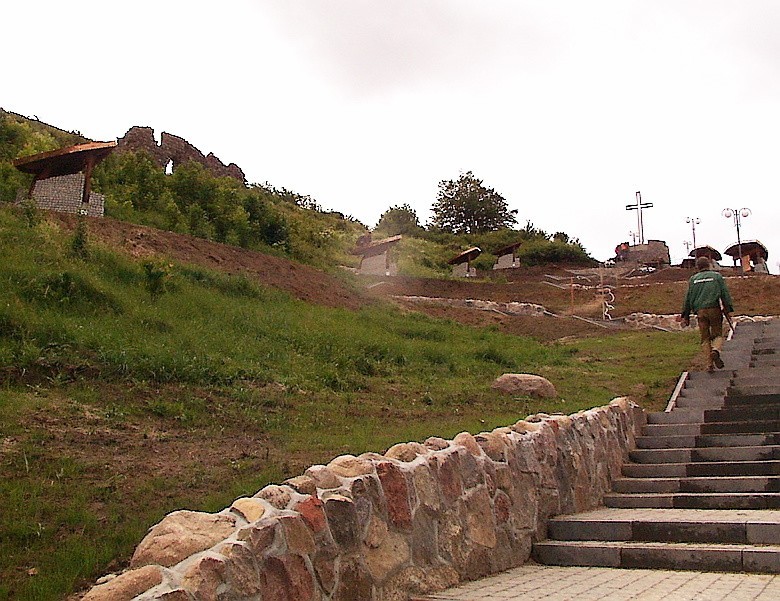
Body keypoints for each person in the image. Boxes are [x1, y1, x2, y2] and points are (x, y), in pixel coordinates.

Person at [680, 256, 735, 372]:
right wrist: (728, 309)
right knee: (717, 335)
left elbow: (688, 298)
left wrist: (685, 316)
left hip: (700, 312)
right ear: (709, 265)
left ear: (697, 267)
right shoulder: (717, 277)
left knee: (705, 338)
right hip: (714, 309)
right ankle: (715, 350)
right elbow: (724, 293)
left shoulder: (693, 279)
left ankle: (709, 365)